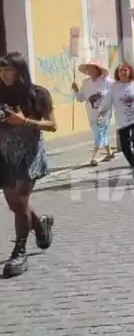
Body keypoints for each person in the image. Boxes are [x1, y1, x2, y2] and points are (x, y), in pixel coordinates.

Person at [0, 52, 56, 278]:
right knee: (15, 205)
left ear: (20, 72)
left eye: (8, 71)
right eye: (1, 71)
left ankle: (19, 251)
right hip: (4, 156)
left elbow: (52, 125)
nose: (4, 75)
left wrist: (24, 121)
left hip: (29, 155)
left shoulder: (38, 94)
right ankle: (40, 226)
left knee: (21, 200)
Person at [98, 62, 134, 179]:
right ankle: (133, 164)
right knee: (124, 147)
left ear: (130, 71)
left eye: (125, 70)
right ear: (117, 74)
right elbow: (107, 101)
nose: (123, 72)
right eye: (120, 71)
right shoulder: (114, 87)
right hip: (122, 120)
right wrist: (101, 113)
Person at [71, 60, 114, 166]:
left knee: (99, 132)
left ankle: (94, 157)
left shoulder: (108, 82)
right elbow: (81, 98)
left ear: (97, 69)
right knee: (99, 133)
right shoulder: (86, 83)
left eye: (91, 68)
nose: (88, 70)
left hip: (104, 113)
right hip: (91, 113)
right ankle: (109, 152)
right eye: (87, 68)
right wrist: (76, 90)